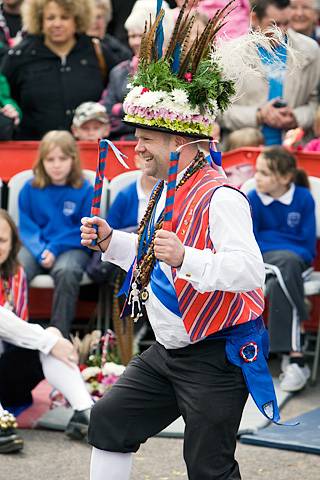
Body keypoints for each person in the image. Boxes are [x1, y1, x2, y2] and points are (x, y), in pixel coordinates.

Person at [81, 4, 283, 479]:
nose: (138, 147)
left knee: (208, 469)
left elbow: (251, 272)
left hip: (217, 355)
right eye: (137, 136)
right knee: (108, 422)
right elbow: (156, 256)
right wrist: (112, 241)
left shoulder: (221, 197)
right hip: (167, 353)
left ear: (184, 143)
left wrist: (189, 256)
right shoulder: (160, 189)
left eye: (148, 137)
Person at [0, 209, 94, 449]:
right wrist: (48, 340)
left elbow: (16, 330)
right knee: (47, 338)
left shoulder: (15, 273)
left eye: (2, 240)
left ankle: (85, 413)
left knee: (49, 335)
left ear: (12, 245)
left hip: (7, 374)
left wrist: (49, 338)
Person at [247, 147, 316, 392]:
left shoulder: (304, 198)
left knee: (281, 278)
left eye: (264, 173)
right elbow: (251, 242)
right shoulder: (253, 198)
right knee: (283, 266)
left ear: (285, 178)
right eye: (257, 171)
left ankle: (292, 358)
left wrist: (283, 250)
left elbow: (307, 246)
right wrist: (283, 249)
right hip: (265, 262)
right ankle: (295, 358)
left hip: (297, 264)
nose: (257, 177)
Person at [0, 0, 120, 140]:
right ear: (40, 20)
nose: (57, 24)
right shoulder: (19, 56)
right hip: (33, 152)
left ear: (77, 19)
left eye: (64, 17)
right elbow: (5, 96)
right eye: (50, 18)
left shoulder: (97, 51)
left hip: (91, 152)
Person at [18, 130, 93, 337]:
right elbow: (26, 227)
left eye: (62, 158)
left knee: (67, 271)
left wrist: (54, 248)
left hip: (72, 246)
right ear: (42, 161)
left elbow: (82, 229)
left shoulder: (85, 189)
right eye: (50, 159)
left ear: (73, 159)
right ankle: (14, 330)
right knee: (17, 269)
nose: (56, 164)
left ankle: (58, 335)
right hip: (36, 245)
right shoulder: (29, 188)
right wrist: (41, 250)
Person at [220, 0, 320, 146]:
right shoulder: (231, 53)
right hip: (245, 151)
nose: (281, 31)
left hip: (294, 151)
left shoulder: (310, 50)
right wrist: (258, 115)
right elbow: (218, 111)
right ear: (254, 19)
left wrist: (296, 117)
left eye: (286, 23)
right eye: (274, 25)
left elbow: (315, 103)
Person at [100, 0, 174, 140]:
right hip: (123, 146)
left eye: (141, 36)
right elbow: (106, 114)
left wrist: (122, 109)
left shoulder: (174, 71)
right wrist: (135, 112)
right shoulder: (119, 71)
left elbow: (171, 116)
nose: (135, 42)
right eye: (131, 36)